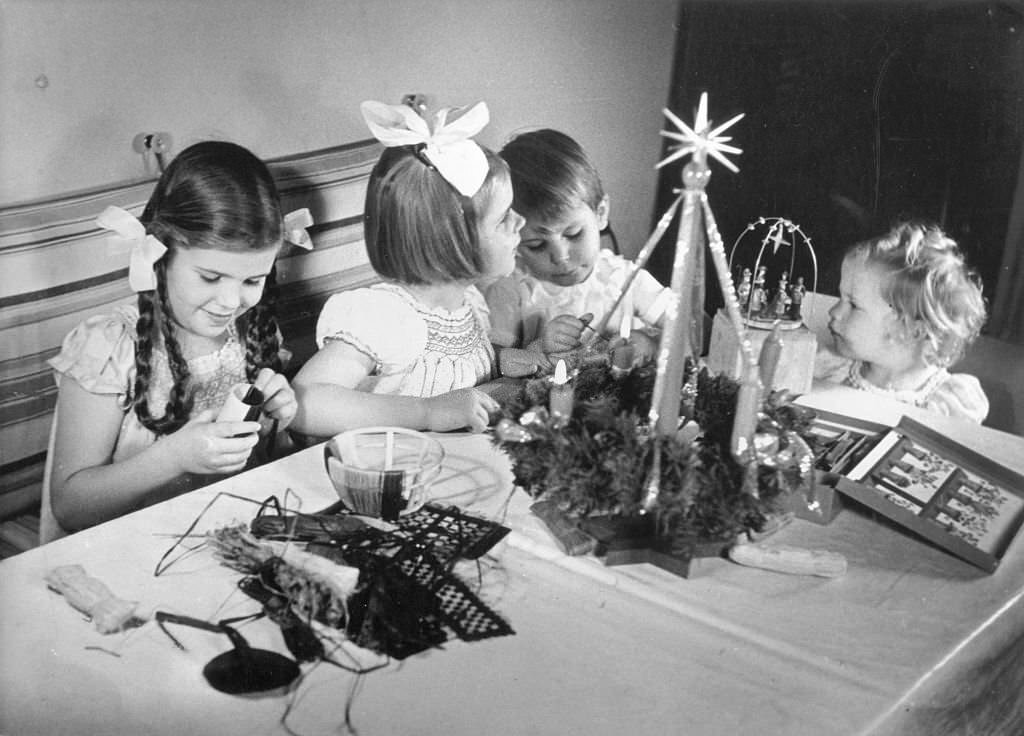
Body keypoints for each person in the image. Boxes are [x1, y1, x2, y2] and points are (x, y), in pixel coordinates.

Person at [44, 141, 301, 540]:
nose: (232, 302)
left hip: (223, 537)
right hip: (124, 549)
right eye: (211, 278)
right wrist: (175, 457)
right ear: (160, 255)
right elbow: (70, 506)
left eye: (253, 280)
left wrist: (274, 416)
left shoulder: (252, 331)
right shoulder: (108, 348)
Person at [291, 100, 524, 437]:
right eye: (504, 217)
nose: (521, 222)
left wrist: (520, 360)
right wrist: (425, 411)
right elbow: (304, 402)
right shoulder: (386, 314)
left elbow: (462, 377)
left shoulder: (470, 303)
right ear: (450, 241)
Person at [484, 129, 671, 363]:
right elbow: (492, 361)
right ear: (514, 237)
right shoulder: (510, 291)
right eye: (537, 244)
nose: (560, 257)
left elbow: (690, 324)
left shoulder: (623, 279)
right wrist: (539, 349)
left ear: (600, 213)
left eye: (573, 234)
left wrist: (650, 341)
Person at [815, 221, 989, 423]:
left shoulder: (947, 404)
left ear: (910, 330)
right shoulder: (833, 373)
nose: (834, 312)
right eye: (841, 299)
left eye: (853, 305)